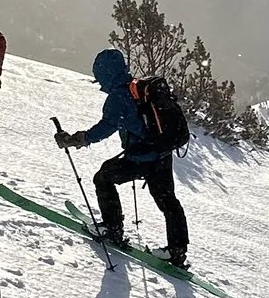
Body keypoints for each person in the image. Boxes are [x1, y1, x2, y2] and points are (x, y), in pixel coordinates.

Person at [53, 47, 188, 267]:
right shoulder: (137, 88)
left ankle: (112, 228)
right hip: (162, 153)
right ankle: (177, 250)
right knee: (168, 201)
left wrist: (77, 139)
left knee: (103, 177)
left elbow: (106, 127)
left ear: (105, 74)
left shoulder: (118, 97)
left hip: (143, 157)